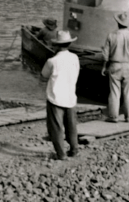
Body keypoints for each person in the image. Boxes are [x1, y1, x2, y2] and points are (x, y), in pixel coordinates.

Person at [41, 30, 80, 160]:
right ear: (69, 44)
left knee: (56, 127)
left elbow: (44, 75)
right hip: (70, 96)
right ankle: (74, 150)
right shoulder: (75, 58)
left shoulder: (52, 61)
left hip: (56, 97)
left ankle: (61, 154)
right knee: (71, 126)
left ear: (56, 45)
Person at [101, 12, 129, 123]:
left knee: (114, 92)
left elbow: (105, 54)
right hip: (128, 65)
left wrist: (104, 67)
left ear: (118, 23)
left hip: (114, 64)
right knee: (128, 93)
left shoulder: (111, 35)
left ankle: (113, 116)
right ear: (128, 24)